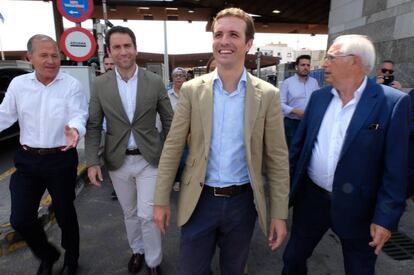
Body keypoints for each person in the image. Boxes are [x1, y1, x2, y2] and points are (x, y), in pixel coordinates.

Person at [153, 8, 289, 275]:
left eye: (233, 35)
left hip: (242, 203)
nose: (224, 41)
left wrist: (279, 214)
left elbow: (277, 158)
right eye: (218, 34)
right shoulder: (192, 90)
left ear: (248, 44)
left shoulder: (268, 95)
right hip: (199, 200)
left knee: (234, 269)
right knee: (192, 270)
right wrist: (160, 200)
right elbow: (172, 147)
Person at [282, 34, 410, 275]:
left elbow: (396, 169)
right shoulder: (319, 98)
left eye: (331, 57)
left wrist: (385, 218)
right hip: (311, 201)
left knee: (359, 269)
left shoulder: (392, 103)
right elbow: (298, 152)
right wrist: (281, 199)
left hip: (360, 209)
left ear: (355, 61)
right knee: (292, 259)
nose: (323, 64)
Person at [85, 26, 173, 275]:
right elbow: (93, 125)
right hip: (117, 160)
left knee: (148, 214)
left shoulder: (154, 81)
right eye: (117, 47)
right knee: (130, 212)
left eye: (127, 46)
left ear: (135, 48)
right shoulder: (100, 85)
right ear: (109, 52)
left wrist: (168, 154)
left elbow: (170, 121)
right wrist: (92, 161)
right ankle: (138, 251)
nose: (123, 52)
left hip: (149, 159)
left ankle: (154, 261)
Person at [0, 34, 88, 275]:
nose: (51, 60)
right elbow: (5, 115)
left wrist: (76, 130)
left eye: (54, 55)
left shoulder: (71, 85)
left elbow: (79, 114)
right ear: (30, 58)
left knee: (65, 213)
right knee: (20, 218)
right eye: (44, 55)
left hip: (60, 158)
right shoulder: (19, 85)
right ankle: (47, 255)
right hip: (28, 160)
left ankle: (72, 259)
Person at [280, 54, 319, 147]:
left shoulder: (314, 82)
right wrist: (294, 111)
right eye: (303, 65)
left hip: (309, 122)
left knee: (306, 149)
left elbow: (317, 101)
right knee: (292, 151)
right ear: (296, 67)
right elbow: (280, 103)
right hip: (292, 123)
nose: (305, 67)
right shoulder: (288, 83)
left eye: (308, 65)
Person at [168, 67, 188, 192]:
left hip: (188, 134)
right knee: (171, 159)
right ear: (172, 78)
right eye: (176, 76)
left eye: (181, 75)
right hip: (170, 133)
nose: (179, 78)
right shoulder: (167, 95)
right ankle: (173, 179)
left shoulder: (191, 94)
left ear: (186, 78)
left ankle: (178, 180)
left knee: (184, 159)